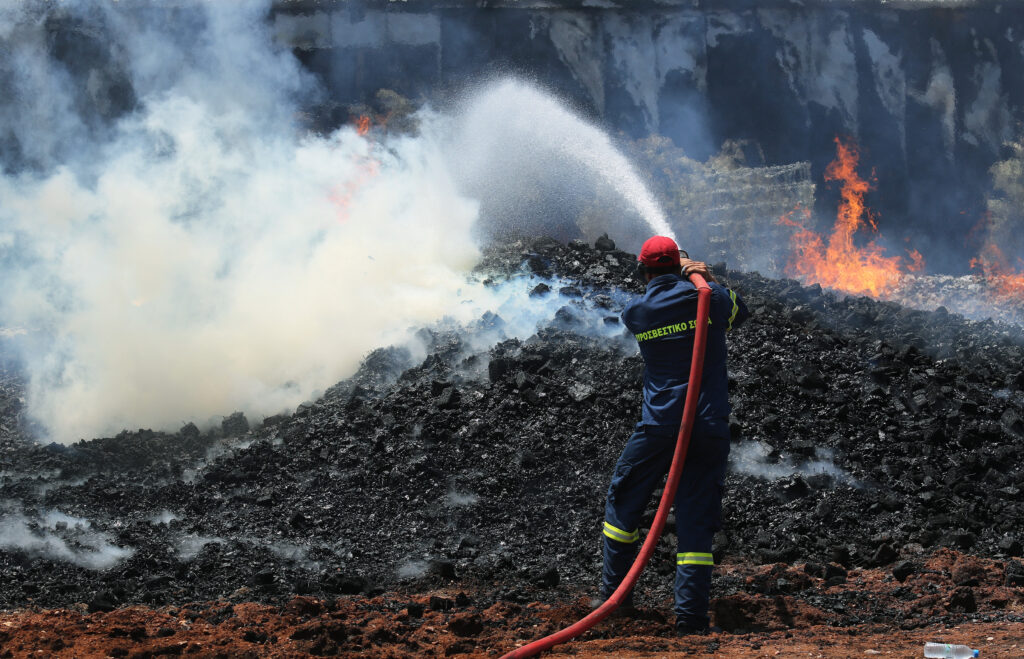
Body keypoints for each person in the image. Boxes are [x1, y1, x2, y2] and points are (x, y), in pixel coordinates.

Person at [599, 235, 749, 635]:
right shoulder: (711, 299)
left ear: (643, 270)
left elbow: (651, 308)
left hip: (660, 425)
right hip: (708, 424)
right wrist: (700, 274)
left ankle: (616, 599)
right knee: (695, 521)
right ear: (678, 266)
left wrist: (682, 275)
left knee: (623, 501)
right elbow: (740, 310)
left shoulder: (637, 310)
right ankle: (691, 619)